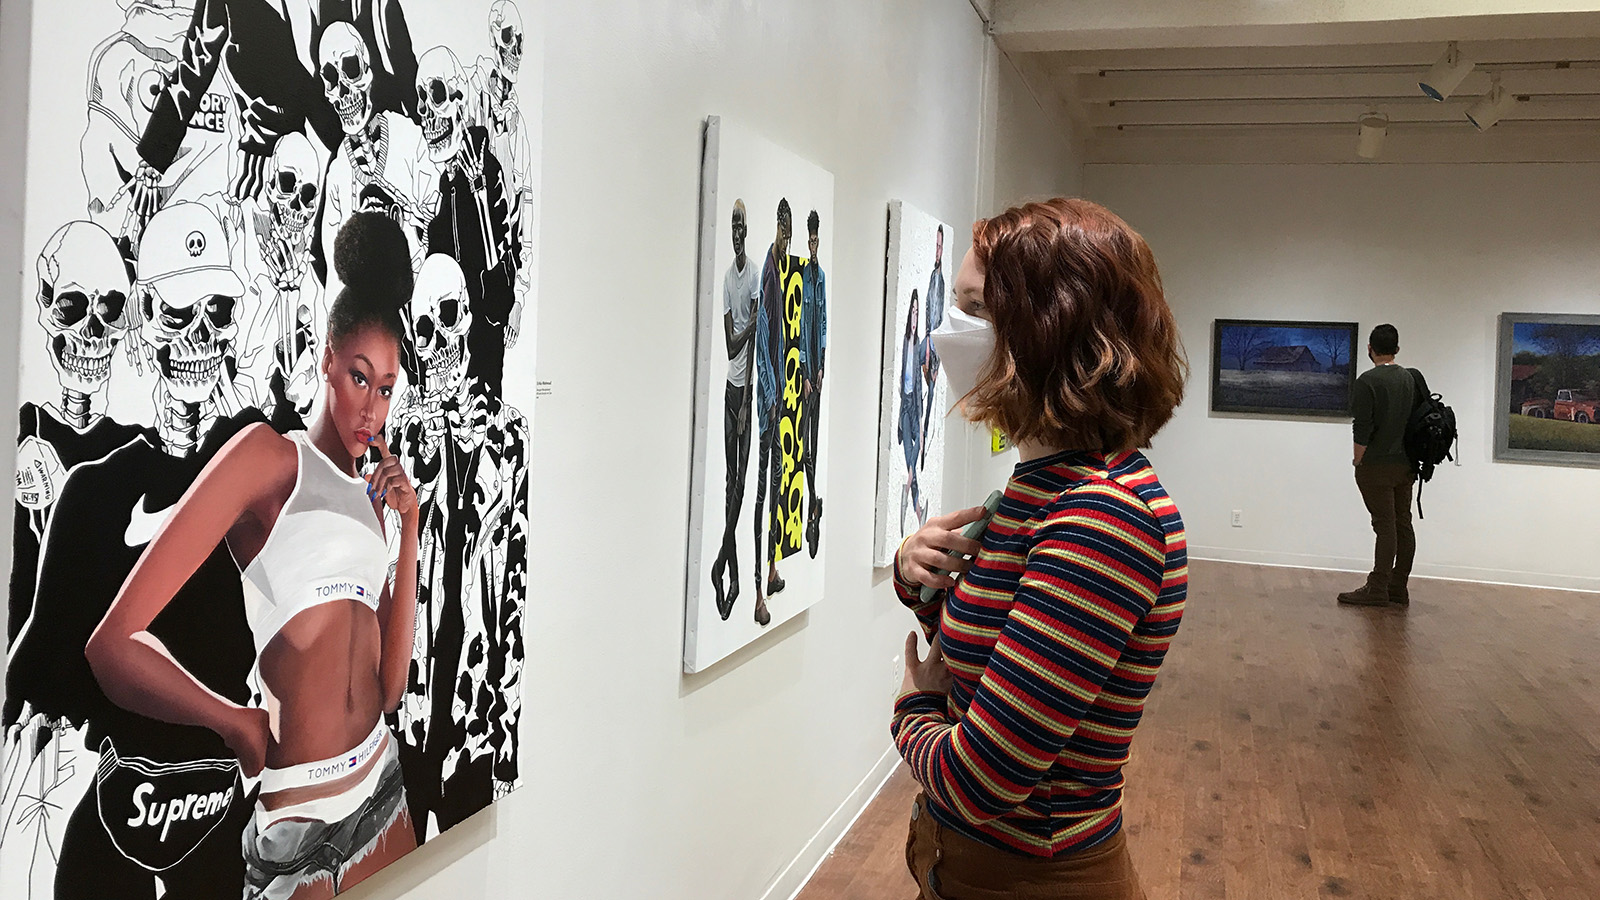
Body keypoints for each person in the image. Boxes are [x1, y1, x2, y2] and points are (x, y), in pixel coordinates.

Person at [85, 212, 423, 899]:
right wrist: (230, 719)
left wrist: (408, 531)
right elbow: (112, 645)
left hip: (386, 796)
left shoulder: (370, 500)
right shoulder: (267, 460)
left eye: (387, 389)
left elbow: (389, 689)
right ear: (326, 359)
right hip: (297, 830)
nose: (372, 410)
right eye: (360, 378)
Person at [892, 198, 1189, 900]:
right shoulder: (1042, 484)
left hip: (1031, 876)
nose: (948, 330)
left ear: (1047, 331)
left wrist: (911, 712)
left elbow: (982, 782)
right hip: (963, 863)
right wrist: (917, 574)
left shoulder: (1102, 518)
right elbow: (988, 658)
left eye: (974, 309)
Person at [1338, 323, 1424, 607]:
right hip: (1406, 465)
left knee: (1385, 526)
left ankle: (1377, 588)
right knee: (1403, 524)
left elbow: (1362, 427)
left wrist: (1357, 459)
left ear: (1370, 349)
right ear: (1396, 349)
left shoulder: (1367, 382)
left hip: (1376, 465)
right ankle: (1398, 586)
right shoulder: (1410, 378)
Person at [709, 200, 760, 619]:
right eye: (731, 226)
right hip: (730, 388)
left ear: (747, 230)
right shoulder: (728, 279)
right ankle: (733, 573)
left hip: (744, 394)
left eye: (740, 226)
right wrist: (748, 327)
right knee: (732, 483)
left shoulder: (754, 275)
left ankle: (722, 564)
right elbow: (731, 346)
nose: (735, 233)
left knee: (740, 482)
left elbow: (753, 347)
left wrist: (746, 404)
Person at [751, 199, 793, 627]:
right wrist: (771, 394)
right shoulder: (768, 272)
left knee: (776, 492)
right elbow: (763, 340)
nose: (786, 238)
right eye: (784, 230)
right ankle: (759, 592)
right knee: (764, 495)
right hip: (769, 408)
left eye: (789, 232)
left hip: (776, 403)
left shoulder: (779, 270)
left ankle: (772, 571)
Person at [800, 210, 827, 557]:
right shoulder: (803, 276)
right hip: (804, 374)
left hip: (817, 373)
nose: (813, 244)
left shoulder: (820, 277)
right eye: (810, 239)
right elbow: (800, 325)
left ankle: (813, 508)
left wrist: (821, 364)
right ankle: (813, 501)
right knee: (805, 448)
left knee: (814, 445)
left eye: (816, 239)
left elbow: (822, 323)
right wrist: (806, 371)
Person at [898, 289, 926, 532]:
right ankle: (918, 511)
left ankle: (910, 497)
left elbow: (919, 382)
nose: (915, 317)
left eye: (918, 312)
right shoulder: (906, 342)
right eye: (913, 311)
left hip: (915, 408)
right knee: (910, 462)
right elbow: (902, 376)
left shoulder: (919, 345)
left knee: (912, 460)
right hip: (905, 407)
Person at [919, 225, 946, 469]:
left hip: (934, 348)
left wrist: (935, 358)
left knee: (929, 401)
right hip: (928, 343)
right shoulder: (931, 278)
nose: (937, 251)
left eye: (939, 246)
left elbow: (938, 321)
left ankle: (924, 438)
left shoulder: (941, 281)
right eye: (935, 246)